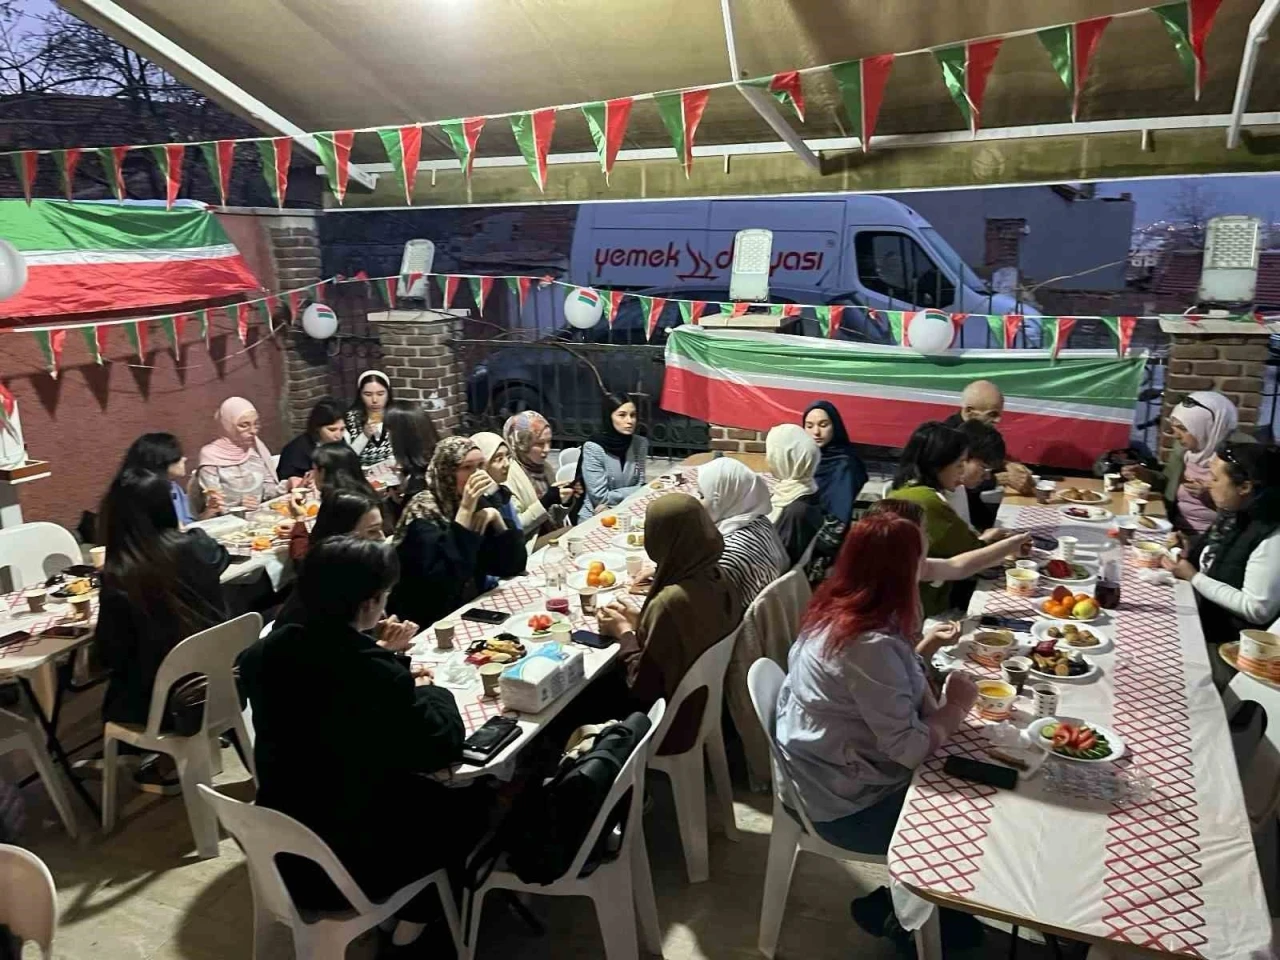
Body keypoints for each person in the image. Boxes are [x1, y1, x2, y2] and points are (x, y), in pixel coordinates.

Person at [239, 536, 478, 950]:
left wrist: (382, 654)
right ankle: (416, 923)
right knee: (467, 803)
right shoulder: (371, 672)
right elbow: (439, 743)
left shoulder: (264, 653)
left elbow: (334, 709)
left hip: (280, 848)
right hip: (351, 862)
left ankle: (402, 917)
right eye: (384, 596)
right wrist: (432, 691)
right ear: (369, 603)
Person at [774, 511, 978, 943]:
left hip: (828, 774)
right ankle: (913, 919)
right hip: (845, 808)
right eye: (919, 561)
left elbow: (880, 691)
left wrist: (924, 651)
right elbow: (910, 748)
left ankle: (923, 911)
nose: (925, 570)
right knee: (974, 815)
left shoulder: (837, 608)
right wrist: (958, 706)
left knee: (971, 771)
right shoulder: (868, 645)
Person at [95, 469, 229, 793]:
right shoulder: (198, 546)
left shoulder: (120, 575)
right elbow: (220, 558)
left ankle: (151, 757)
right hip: (225, 685)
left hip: (169, 706)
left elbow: (109, 655)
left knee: (120, 688)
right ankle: (167, 758)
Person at [597, 493, 740, 754]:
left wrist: (624, 633)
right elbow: (687, 631)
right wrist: (643, 622)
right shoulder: (718, 574)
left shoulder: (669, 602)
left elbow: (642, 686)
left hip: (671, 721)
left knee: (587, 693)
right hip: (713, 703)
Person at [388, 437, 526, 629]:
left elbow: (512, 566)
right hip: (423, 620)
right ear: (447, 472)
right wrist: (465, 511)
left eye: (480, 466)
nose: (476, 475)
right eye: (467, 467)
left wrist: (498, 521)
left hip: (468, 608)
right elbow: (442, 583)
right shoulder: (423, 510)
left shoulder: (476, 501)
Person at [1162, 443, 1280, 662]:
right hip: (1202, 621)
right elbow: (1222, 562)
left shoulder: (1271, 534)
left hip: (1230, 648)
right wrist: (1192, 551)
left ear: (1244, 487)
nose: (1208, 484)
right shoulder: (1236, 513)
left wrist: (1193, 577)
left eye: (1215, 479)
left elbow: (1257, 609)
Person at [888, 422, 1010, 616]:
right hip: (921, 607)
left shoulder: (907, 489)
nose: (961, 473)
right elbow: (975, 556)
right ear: (938, 464)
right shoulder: (928, 501)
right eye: (959, 465)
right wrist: (1011, 546)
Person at [1124, 392, 1245, 534]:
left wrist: (1208, 497)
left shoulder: (1237, 457)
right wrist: (1145, 475)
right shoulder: (1184, 450)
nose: (1176, 435)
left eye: (1183, 429)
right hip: (1171, 527)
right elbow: (1167, 483)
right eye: (1174, 428)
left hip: (1210, 537)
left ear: (1207, 427)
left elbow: (1245, 514)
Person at [869, 498, 1031, 585]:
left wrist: (1010, 545)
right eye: (925, 531)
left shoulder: (906, 566)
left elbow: (958, 566)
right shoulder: (880, 597)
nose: (929, 538)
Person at [697, 457, 790, 608]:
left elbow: (708, 606)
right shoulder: (759, 520)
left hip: (740, 618)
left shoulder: (726, 555)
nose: (697, 502)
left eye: (702, 496)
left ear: (721, 499)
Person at [943, 380, 1034, 526]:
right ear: (969, 411)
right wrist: (999, 479)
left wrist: (1007, 465)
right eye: (992, 414)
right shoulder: (946, 438)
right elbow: (960, 481)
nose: (998, 420)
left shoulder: (979, 431)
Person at [194, 398, 288, 517]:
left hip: (261, 516)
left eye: (256, 424)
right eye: (244, 426)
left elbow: (269, 491)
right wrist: (239, 507)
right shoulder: (211, 456)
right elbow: (214, 505)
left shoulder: (255, 449)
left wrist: (288, 485)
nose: (253, 431)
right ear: (228, 425)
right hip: (229, 521)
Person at [502, 410, 577, 539]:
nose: (547, 449)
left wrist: (566, 501)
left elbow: (555, 518)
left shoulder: (545, 468)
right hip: (528, 542)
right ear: (522, 445)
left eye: (549, 442)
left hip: (550, 533)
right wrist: (545, 502)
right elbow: (516, 527)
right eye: (540, 444)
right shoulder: (508, 475)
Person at [766, 424, 825, 566]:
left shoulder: (796, 511)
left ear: (786, 459)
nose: (767, 459)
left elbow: (777, 562)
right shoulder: (805, 490)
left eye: (772, 454)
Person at [802, 400, 868, 527]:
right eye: (809, 426)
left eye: (823, 425)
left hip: (827, 533)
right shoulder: (805, 460)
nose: (816, 432)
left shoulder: (845, 464)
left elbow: (838, 519)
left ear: (835, 426)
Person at [580, 394, 647, 515]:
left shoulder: (640, 443)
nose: (629, 421)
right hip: (597, 514)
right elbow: (599, 497)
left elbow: (641, 483)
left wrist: (640, 490)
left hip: (630, 509)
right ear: (609, 417)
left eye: (633, 415)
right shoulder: (594, 447)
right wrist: (637, 491)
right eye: (622, 415)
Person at [945, 419, 1007, 530]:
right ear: (963, 456)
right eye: (984, 468)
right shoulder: (935, 496)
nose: (987, 477)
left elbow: (968, 531)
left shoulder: (960, 488)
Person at [121, 432, 195, 526]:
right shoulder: (145, 492)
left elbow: (189, 521)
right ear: (162, 460)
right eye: (178, 456)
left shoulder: (174, 487)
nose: (184, 459)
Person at [383, 399, 440, 508]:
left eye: (389, 432)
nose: (388, 437)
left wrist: (396, 503)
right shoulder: (437, 459)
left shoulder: (419, 486)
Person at [276, 398, 347, 482]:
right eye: (332, 430)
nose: (338, 436)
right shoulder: (297, 450)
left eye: (342, 429)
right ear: (317, 427)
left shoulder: (340, 442)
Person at [471, 432, 523, 532]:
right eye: (499, 459)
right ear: (480, 465)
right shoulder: (475, 502)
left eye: (508, 456)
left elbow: (517, 531)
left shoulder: (500, 492)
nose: (507, 464)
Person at [344, 370, 394, 467]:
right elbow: (347, 458)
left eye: (380, 394)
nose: (374, 400)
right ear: (360, 395)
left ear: (388, 394)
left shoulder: (397, 416)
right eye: (368, 394)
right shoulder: (350, 419)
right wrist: (364, 436)